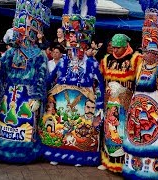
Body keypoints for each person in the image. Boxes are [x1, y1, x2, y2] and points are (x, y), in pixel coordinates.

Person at [38, 1, 105, 167]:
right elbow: (50, 79)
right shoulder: (63, 61)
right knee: (61, 127)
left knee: (81, 130)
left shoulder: (91, 63)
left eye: (79, 40)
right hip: (62, 103)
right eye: (71, 37)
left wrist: (100, 102)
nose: (75, 43)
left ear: (85, 43)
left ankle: (79, 156)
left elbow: (100, 84)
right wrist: (41, 93)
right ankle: (57, 153)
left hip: (84, 104)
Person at [121, 8, 158, 179]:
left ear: (157, 52)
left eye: (149, 50)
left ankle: (153, 173)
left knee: (153, 146)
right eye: (145, 49)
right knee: (135, 141)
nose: (145, 53)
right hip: (138, 114)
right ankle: (133, 169)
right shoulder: (140, 66)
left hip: (156, 116)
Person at [0, 0, 50, 163]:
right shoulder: (11, 53)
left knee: (26, 125)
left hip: (27, 96)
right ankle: (5, 145)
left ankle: (26, 150)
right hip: (10, 95)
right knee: (6, 122)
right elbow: (2, 71)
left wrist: (38, 98)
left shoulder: (39, 55)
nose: (22, 33)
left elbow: (41, 78)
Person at [97, 33, 142, 173]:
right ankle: (107, 161)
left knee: (123, 132)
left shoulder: (135, 59)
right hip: (109, 103)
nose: (114, 50)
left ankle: (123, 164)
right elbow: (100, 81)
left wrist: (125, 92)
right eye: (113, 47)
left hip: (126, 105)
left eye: (117, 48)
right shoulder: (106, 60)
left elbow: (140, 82)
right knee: (109, 131)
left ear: (125, 46)